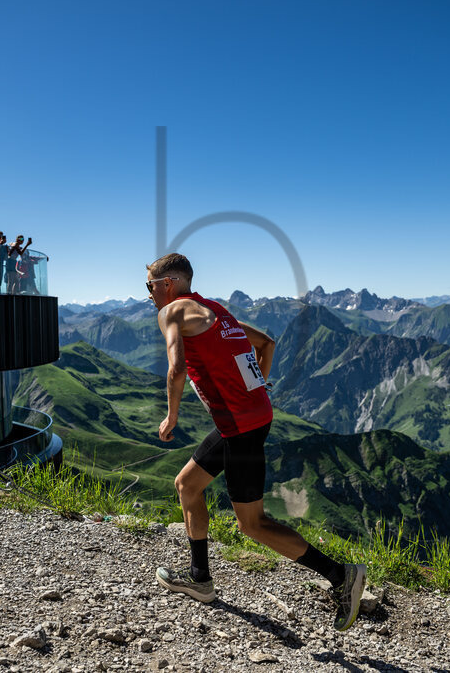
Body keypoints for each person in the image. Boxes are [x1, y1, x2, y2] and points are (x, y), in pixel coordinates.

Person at [147, 253, 366, 632]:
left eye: (150, 286)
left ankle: (340, 576)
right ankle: (200, 578)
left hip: (240, 428)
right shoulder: (216, 310)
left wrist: (172, 417)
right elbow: (267, 343)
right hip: (250, 420)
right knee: (186, 485)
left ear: (168, 283)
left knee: (253, 524)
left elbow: (177, 368)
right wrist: (256, 390)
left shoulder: (173, 313)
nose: (149, 294)